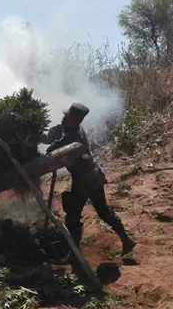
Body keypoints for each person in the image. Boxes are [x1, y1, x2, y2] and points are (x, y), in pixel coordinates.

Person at [41, 102, 135, 262]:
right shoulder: (74, 130)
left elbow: (51, 150)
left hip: (84, 180)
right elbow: (52, 138)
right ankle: (126, 239)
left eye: (66, 117)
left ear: (74, 121)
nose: (63, 118)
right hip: (94, 175)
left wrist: (51, 137)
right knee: (103, 210)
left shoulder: (72, 137)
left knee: (72, 216)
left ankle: (74, 255)